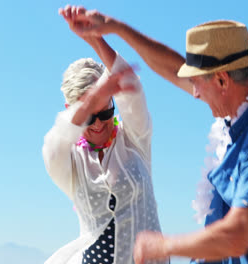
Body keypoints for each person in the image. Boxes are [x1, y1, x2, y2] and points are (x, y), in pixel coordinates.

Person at [63, 5, 248, 264]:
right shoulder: (239, 99)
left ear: (222, 80)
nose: (195, 93)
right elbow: (171, 67)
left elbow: (237, 235)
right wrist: (113, 29)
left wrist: (163, 245)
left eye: (198, 84)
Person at [42, 6, 166, 264]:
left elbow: (131, 89)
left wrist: (94, 38)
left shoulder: (133, 139)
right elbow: (52, 148)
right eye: (89, 117)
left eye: (105, 112)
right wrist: (89, 103)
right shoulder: (71, 161)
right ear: (72, 112)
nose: (98, 125)